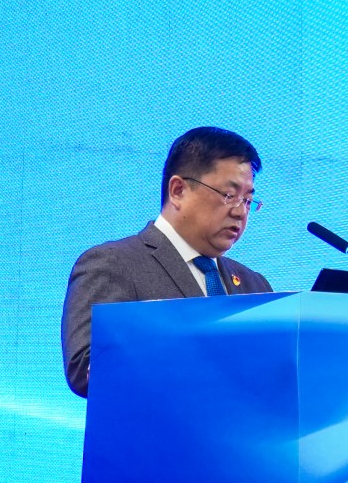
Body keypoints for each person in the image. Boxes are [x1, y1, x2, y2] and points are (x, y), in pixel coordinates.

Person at [62, 127, 274, 396]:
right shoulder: (112, 264)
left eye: (248, 200)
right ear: (178, 190)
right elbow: (85, 369)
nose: (240, 212)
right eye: (229, 195)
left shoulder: (255, 285)